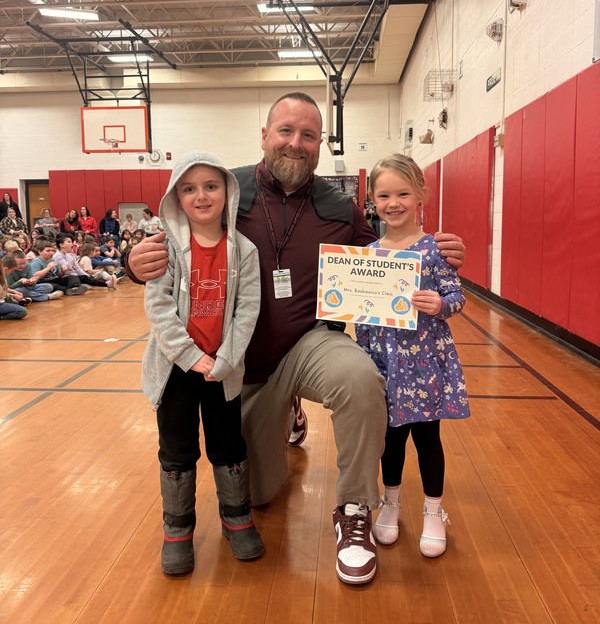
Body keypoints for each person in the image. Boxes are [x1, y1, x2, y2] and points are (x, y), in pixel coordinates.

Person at [127, 92, 466, 585]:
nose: (295, 143)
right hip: (239, 364)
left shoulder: (339, 207)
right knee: (258, 494)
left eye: (309, 135)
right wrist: (134, 264)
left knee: (360, 378)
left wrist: (435, 251)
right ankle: (286, 412)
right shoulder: (225, 190)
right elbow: (175, 244)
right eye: (285, 130)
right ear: (265, 135)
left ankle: (354, 510)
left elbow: (387, 255)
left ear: (320, 144)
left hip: (308, 344)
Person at [142, 150, 262, 575]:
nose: (201, 196)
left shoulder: (244, 251)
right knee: (176, 448)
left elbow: (247, 310)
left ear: (227, 192)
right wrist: (191, 357)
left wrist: (225, 360)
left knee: (228, 444)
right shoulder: (166, 249)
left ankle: (236, 517)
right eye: (190, 189)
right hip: (176, 371)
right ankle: (177, 529)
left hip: (222, 372)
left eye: (211, 186)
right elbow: (158, 308)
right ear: (177, 198)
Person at [355, 154, 470, 557]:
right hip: (384, 364)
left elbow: (457, 297)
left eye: (403, 193)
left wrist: (440, 305)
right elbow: (363, 316)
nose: (394, 203)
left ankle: (434, 511)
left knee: (427, 438)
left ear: (421, 194)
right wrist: (363, 355)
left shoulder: (434, 249)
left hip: (424, 366)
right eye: (384, 195)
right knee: (390, 439)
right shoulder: (368, 254)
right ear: (372, 200)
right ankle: (390, 503)